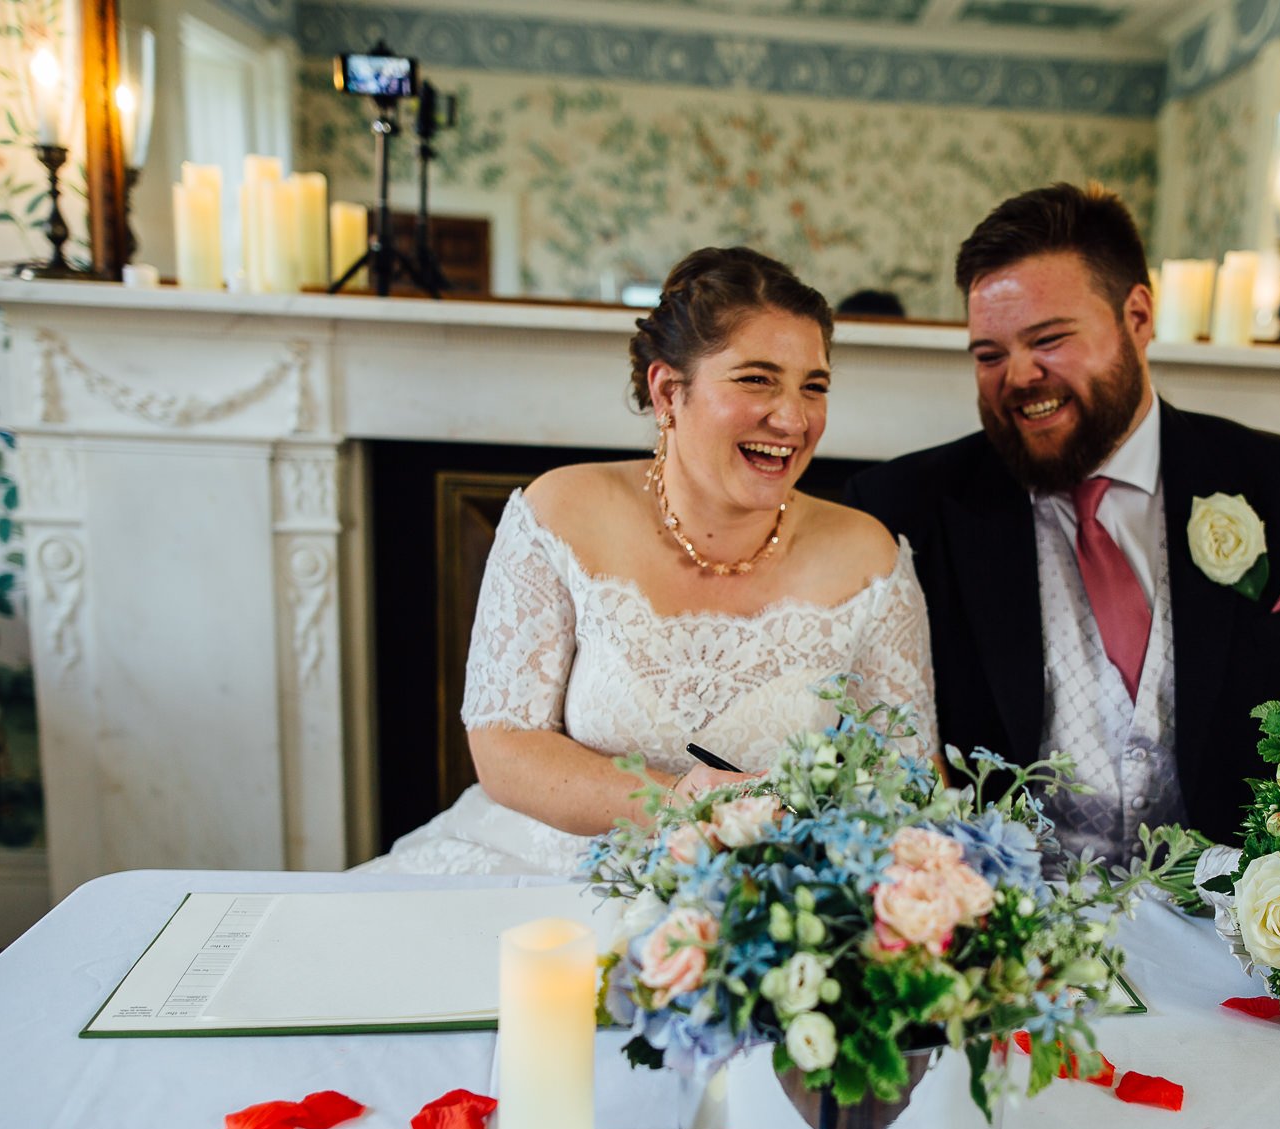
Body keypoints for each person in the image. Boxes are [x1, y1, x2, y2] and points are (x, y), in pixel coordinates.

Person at [848, 184, 1280, 860]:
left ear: (1137, 316)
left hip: (1239, 924)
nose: (1017, 376)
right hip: (1012, 925)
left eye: (1049, 339)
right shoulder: (904, 511)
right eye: (989, 354)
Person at [363, 247, 937, 875]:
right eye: (756, 379)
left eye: (814, 386)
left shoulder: (869, 558)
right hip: (554, 873)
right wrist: (677, 805)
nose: (793, 418)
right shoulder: (561, 511)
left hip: (777, 895)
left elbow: (911, 777)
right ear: (668, 390)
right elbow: (504, 747)